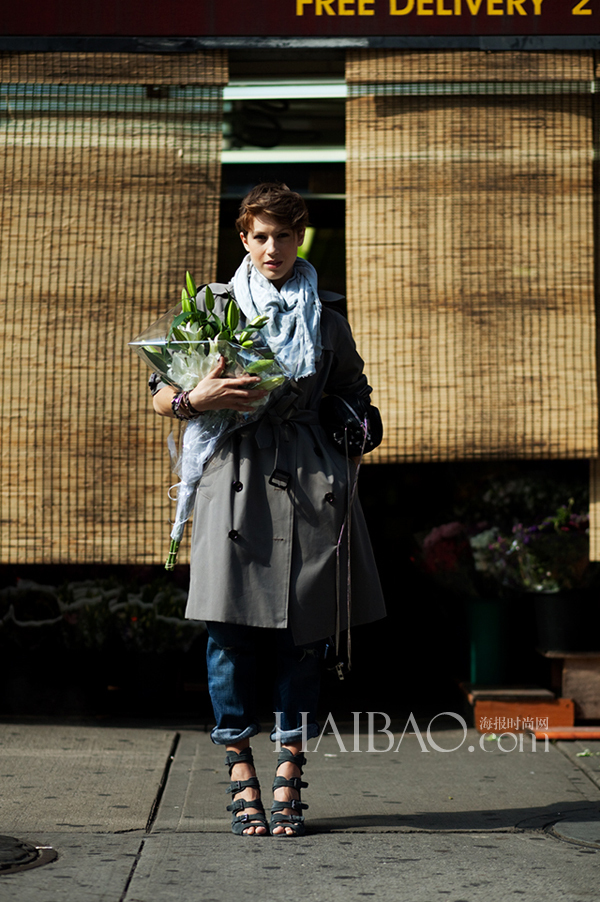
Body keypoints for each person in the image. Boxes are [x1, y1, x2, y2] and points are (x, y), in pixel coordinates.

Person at [151, 182, 386, 836]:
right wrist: (199, 398)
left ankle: (288, 768)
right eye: (261, 236)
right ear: (244, 237)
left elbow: (356, 394)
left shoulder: (326, 314)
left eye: (285, 236)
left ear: (299, 237)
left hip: (312, 484)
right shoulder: (211, 308)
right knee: (226, 633)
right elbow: (162, 395)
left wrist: (360, 426)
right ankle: (238, 768)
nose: (273, 248)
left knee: (305, 635)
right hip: (233, 478)